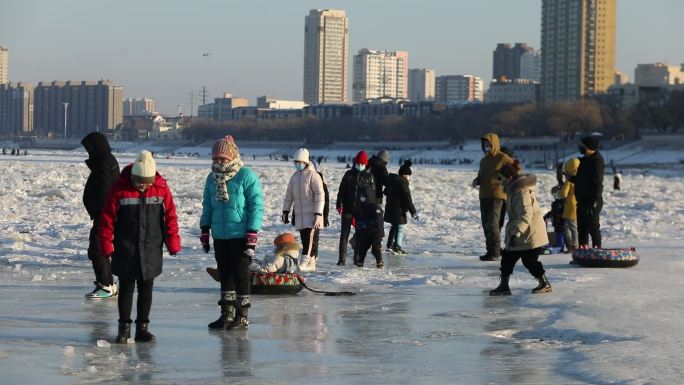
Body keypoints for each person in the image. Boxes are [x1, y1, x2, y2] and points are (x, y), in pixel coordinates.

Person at [99, 150, 181, 343]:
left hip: (151, 245)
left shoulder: (161, 189)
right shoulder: (119, 190)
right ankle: (124, 328)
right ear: (133, 177)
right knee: (126, 287)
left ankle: (142, 327)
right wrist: (106, 243)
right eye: (139, 182)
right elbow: (107, 219)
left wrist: (173, 240)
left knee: (146, 286)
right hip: (126, 246)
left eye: (147, 182)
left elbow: (170, 216)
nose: (143, 186)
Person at [200, 135, 263, 330]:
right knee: (225, 274)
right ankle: (226, 314)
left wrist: (252, 234)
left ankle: (242, 316)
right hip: (220, 235)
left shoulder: (246, 175)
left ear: (232, 156)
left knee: (241, 275)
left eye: (223, 158)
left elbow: (256, 206)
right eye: (215, 159)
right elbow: (207, 206)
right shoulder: (212, 178)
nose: (219, 162)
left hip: (240, 235)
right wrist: (205, 230)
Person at [490, 160, 551, 296]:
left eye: (502, 178)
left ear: (510, 178)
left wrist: (515, 233)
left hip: (529, 233)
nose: (500, 182)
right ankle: (504, 286)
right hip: (521, 231)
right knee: (507, 259)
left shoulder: (521, 192)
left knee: (529, 261)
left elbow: (525, 214)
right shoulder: (513, 190)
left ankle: (544, 283)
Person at [81, 132, 121, 299]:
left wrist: (100, 210)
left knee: (97, 249)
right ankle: (108, 284)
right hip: (105, 214)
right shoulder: (105, 161)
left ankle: (105, 284)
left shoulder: (105, 164)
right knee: (100, 248)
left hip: (105, 214)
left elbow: (105, 190)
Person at [281, 148, 325, 272]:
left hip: (312, 215)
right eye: (296, 162)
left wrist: (318, 213)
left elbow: (320, 195)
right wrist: (286, 211)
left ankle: (305, 262)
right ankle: (311, 262)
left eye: (300, 162)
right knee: (304, 239)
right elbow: (289, 195)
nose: (297, 165)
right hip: (300, 215)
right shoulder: (295, 176)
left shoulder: (314, 175)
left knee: (309, 239)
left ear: (306, 162)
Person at [472, 133, 513, 261]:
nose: (486, 146)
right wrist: (476, 180)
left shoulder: (503, 158)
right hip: (483, 195)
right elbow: (481, 176)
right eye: (484, 144)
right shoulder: (483, 160)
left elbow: (515, 172)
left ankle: (495, 253)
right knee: (485, 225)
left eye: (488, 144)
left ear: (494, 143)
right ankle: (491, 250)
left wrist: (504, 180)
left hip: (497, 195)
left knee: (492, 224)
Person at [336, 150, 376, 266]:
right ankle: (341, 259)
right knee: (344, 235)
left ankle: (357, 259)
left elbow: (371, 195)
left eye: (362, 164)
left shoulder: (369, 176)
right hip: (348, 209)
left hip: (361, 212)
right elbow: (341, 191)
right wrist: (339, 204)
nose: (360, 166)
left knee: (360, 235)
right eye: (358, 163)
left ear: (366, 164)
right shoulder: (348, 174)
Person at [573, 136, 605, 249]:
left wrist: (594, 201)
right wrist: (572, 178)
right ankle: (583, 252)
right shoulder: (585, 160)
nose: (580, 148)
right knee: (582, 227)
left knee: (592, 226)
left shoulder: (597, 160)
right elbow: (584, 179)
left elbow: (598, 182)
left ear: (589, 147)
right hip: (582, 200)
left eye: (583, 146)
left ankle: (597, 252)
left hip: (592, 200)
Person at [384, 160, 418, 255]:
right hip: (398, 209)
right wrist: (413, 212)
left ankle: (390, 246)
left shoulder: (393, 181)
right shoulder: (403, 183)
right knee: (401, 227)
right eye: (409, 175)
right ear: (405, 175)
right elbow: (407, 199)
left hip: (391, 208)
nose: (409, 178)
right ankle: (397, 247)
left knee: (395, 226)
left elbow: (386, 192)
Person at [353, 191, 385, 268]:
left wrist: (380, 233)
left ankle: (379, 261)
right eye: (361, 197)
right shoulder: (361, 207)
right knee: (363, 248)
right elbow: (359, 218)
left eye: (363, 197)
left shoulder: (375, 207)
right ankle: (360, 261)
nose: (362, 199)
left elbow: (378, 221)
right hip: (365, 231)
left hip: (375, 232)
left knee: (375, 247)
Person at [559, 158, 580, 253]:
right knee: (570, 226)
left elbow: (564, 194)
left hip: (570, 206)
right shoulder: (580, 178)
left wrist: (559, 192)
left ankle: (574, 245)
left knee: (570, 226)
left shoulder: (569, 181)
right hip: (577, 205)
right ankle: (573, 245)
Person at [543, 186, 565, 252]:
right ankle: (560, 246)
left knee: (561, 233)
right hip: (556, 221)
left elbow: (555, 211)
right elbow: (553, 212)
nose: (555, 196)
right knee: (558, 232)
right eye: (554, 194)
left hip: (561, 220)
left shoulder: (564, 203)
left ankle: (560, 246)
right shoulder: (555, 203)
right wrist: (546, 216)